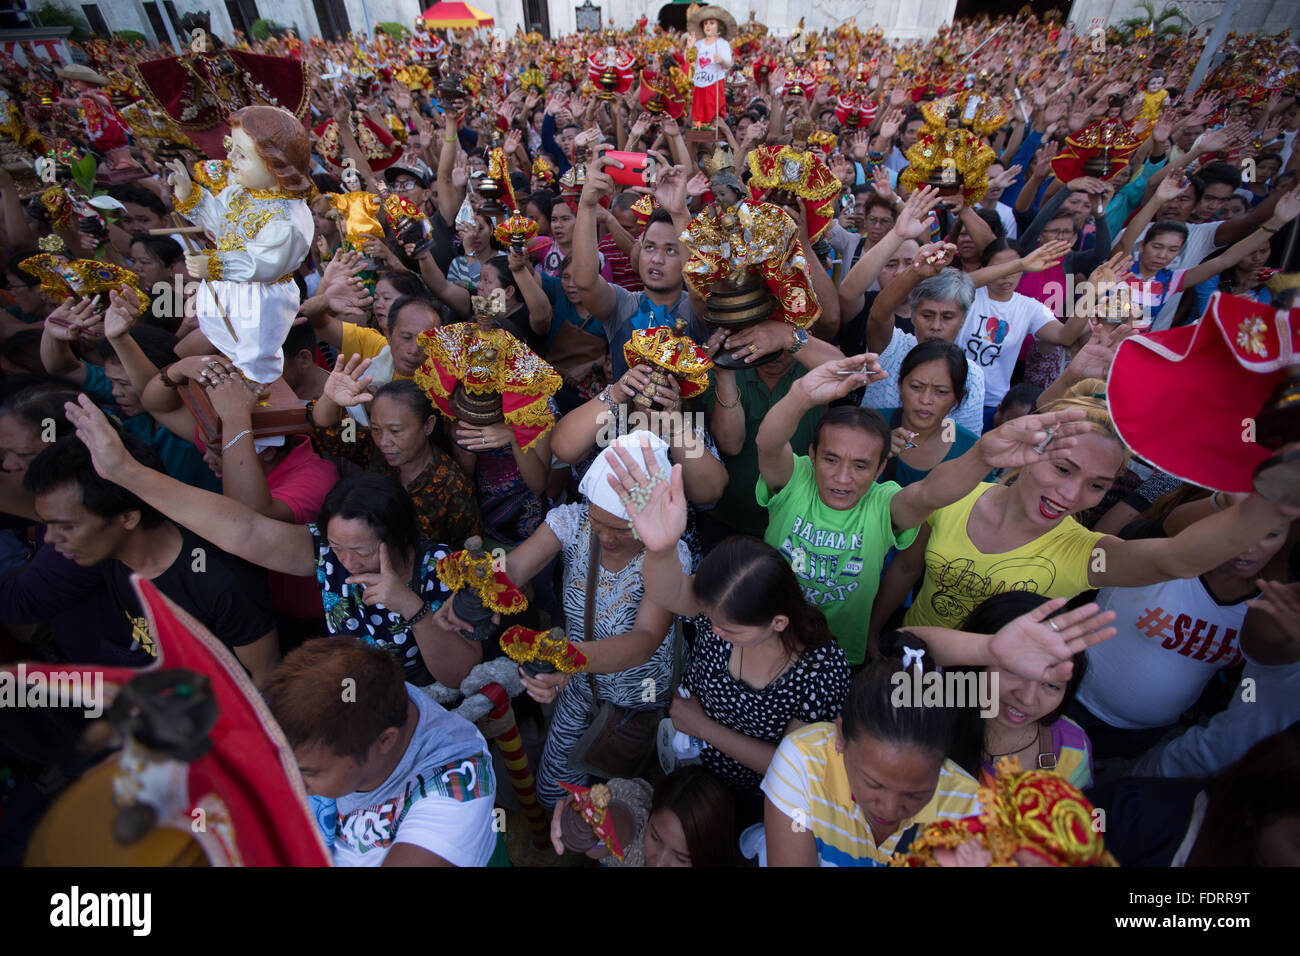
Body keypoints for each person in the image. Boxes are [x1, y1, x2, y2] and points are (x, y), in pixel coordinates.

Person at [61, 392, 484, 689]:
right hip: (360, 693)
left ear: (403, 538)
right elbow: (241, 529)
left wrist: (409, 607)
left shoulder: (443, 570)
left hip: (430, 706)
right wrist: (127, 474)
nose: (347, 562)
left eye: (362, 550)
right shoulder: (324, 555)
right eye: (337, 548)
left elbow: (459, 674)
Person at [871, 381, 1300, 639]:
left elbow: (1175, 558)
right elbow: (907, 567)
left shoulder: (1084, 554)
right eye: (1062, 468)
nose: (1073, 494)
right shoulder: (957, 498)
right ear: (1029, 452)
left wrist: (1267, 507)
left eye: (1098, 485)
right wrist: (875, 634)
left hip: (984, 696)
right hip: (909, 657)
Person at [755, 352, 1092, 665]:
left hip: (836, 651)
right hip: (764, 631)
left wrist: (981, 457)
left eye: (860, 466)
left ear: (878, 470)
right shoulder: (795, 482)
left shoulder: (883, 504)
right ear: (811, 456)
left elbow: (930, 493)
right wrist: (801, 394)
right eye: (830, 459)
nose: (842, 476)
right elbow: (768, 443)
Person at [762, 596, 1118, 866]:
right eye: (1013, 672)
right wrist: (987, 648)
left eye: (1051, 685)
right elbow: (899, 650)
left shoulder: (976, 803)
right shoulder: (949, 695)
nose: (1026, 697)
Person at [485, 432, 689, 807]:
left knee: (624, 804)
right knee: (553, 797)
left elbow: (645, 638)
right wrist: (485, 586)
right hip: (580, 689)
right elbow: (515, 565)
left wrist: (567, 656)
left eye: (622, 528)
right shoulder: (572, 523)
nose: (606, 538)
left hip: (639, 702)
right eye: (598, 522)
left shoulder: (668, 556)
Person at [24, 427, 280, 687]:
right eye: (48, 525)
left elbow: (265, 678)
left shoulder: (220, 582)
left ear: (128, 517)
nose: (49, 539)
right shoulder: (114, 556)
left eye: (66, 527)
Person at [266, 638, 501, 867]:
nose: (292, 782)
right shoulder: (364, 697)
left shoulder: (457, 791)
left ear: (385, 740)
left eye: (310, 773)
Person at [308, 358, 482, 547]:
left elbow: (466, 549)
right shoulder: (374, 448)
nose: (384, 441)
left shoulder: (451, 487)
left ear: (428, 425)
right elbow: (329, 430)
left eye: (396, 431)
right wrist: (331, 397)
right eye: (376, 429)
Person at [546, 764, 738, 867]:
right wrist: (587, 822)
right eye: (655, 837)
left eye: (681, 859)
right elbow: (618, 823)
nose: (658, 862)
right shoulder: (636, 831)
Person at [879, 341, 978, 487]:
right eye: (916, 387)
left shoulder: (972, 451)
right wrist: (874, 454)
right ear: (900, 385)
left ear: (958, 397)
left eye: (941, 392)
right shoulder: (867, 428)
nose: (925, 400)